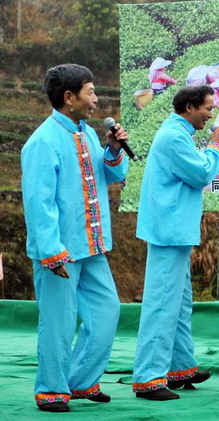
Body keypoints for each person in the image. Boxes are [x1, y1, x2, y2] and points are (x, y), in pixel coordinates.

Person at [21, 64, 130, 412]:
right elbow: (39, 203)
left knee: (107, 312)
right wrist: (52, 252)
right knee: (59, 321)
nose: (97, 99)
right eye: (91, 92)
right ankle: (51, 389)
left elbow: (109, 174)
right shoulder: (42, 142)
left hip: (91, 246)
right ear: (69, 98)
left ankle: (81, 380)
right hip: (61, 253)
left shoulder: (86, 134)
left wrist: (113, 150)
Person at [132, 85, 219, 401]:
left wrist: (211, 149)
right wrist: (215, 147)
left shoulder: (178, 132)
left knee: (179, 302)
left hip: (173, 230)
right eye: (207, 108)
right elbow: (201, 173)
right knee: (162, 303)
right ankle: (148, 378)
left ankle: (179, 367)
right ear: (189, 107)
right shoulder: (174, 137)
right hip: (168, 231)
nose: (210, 115)